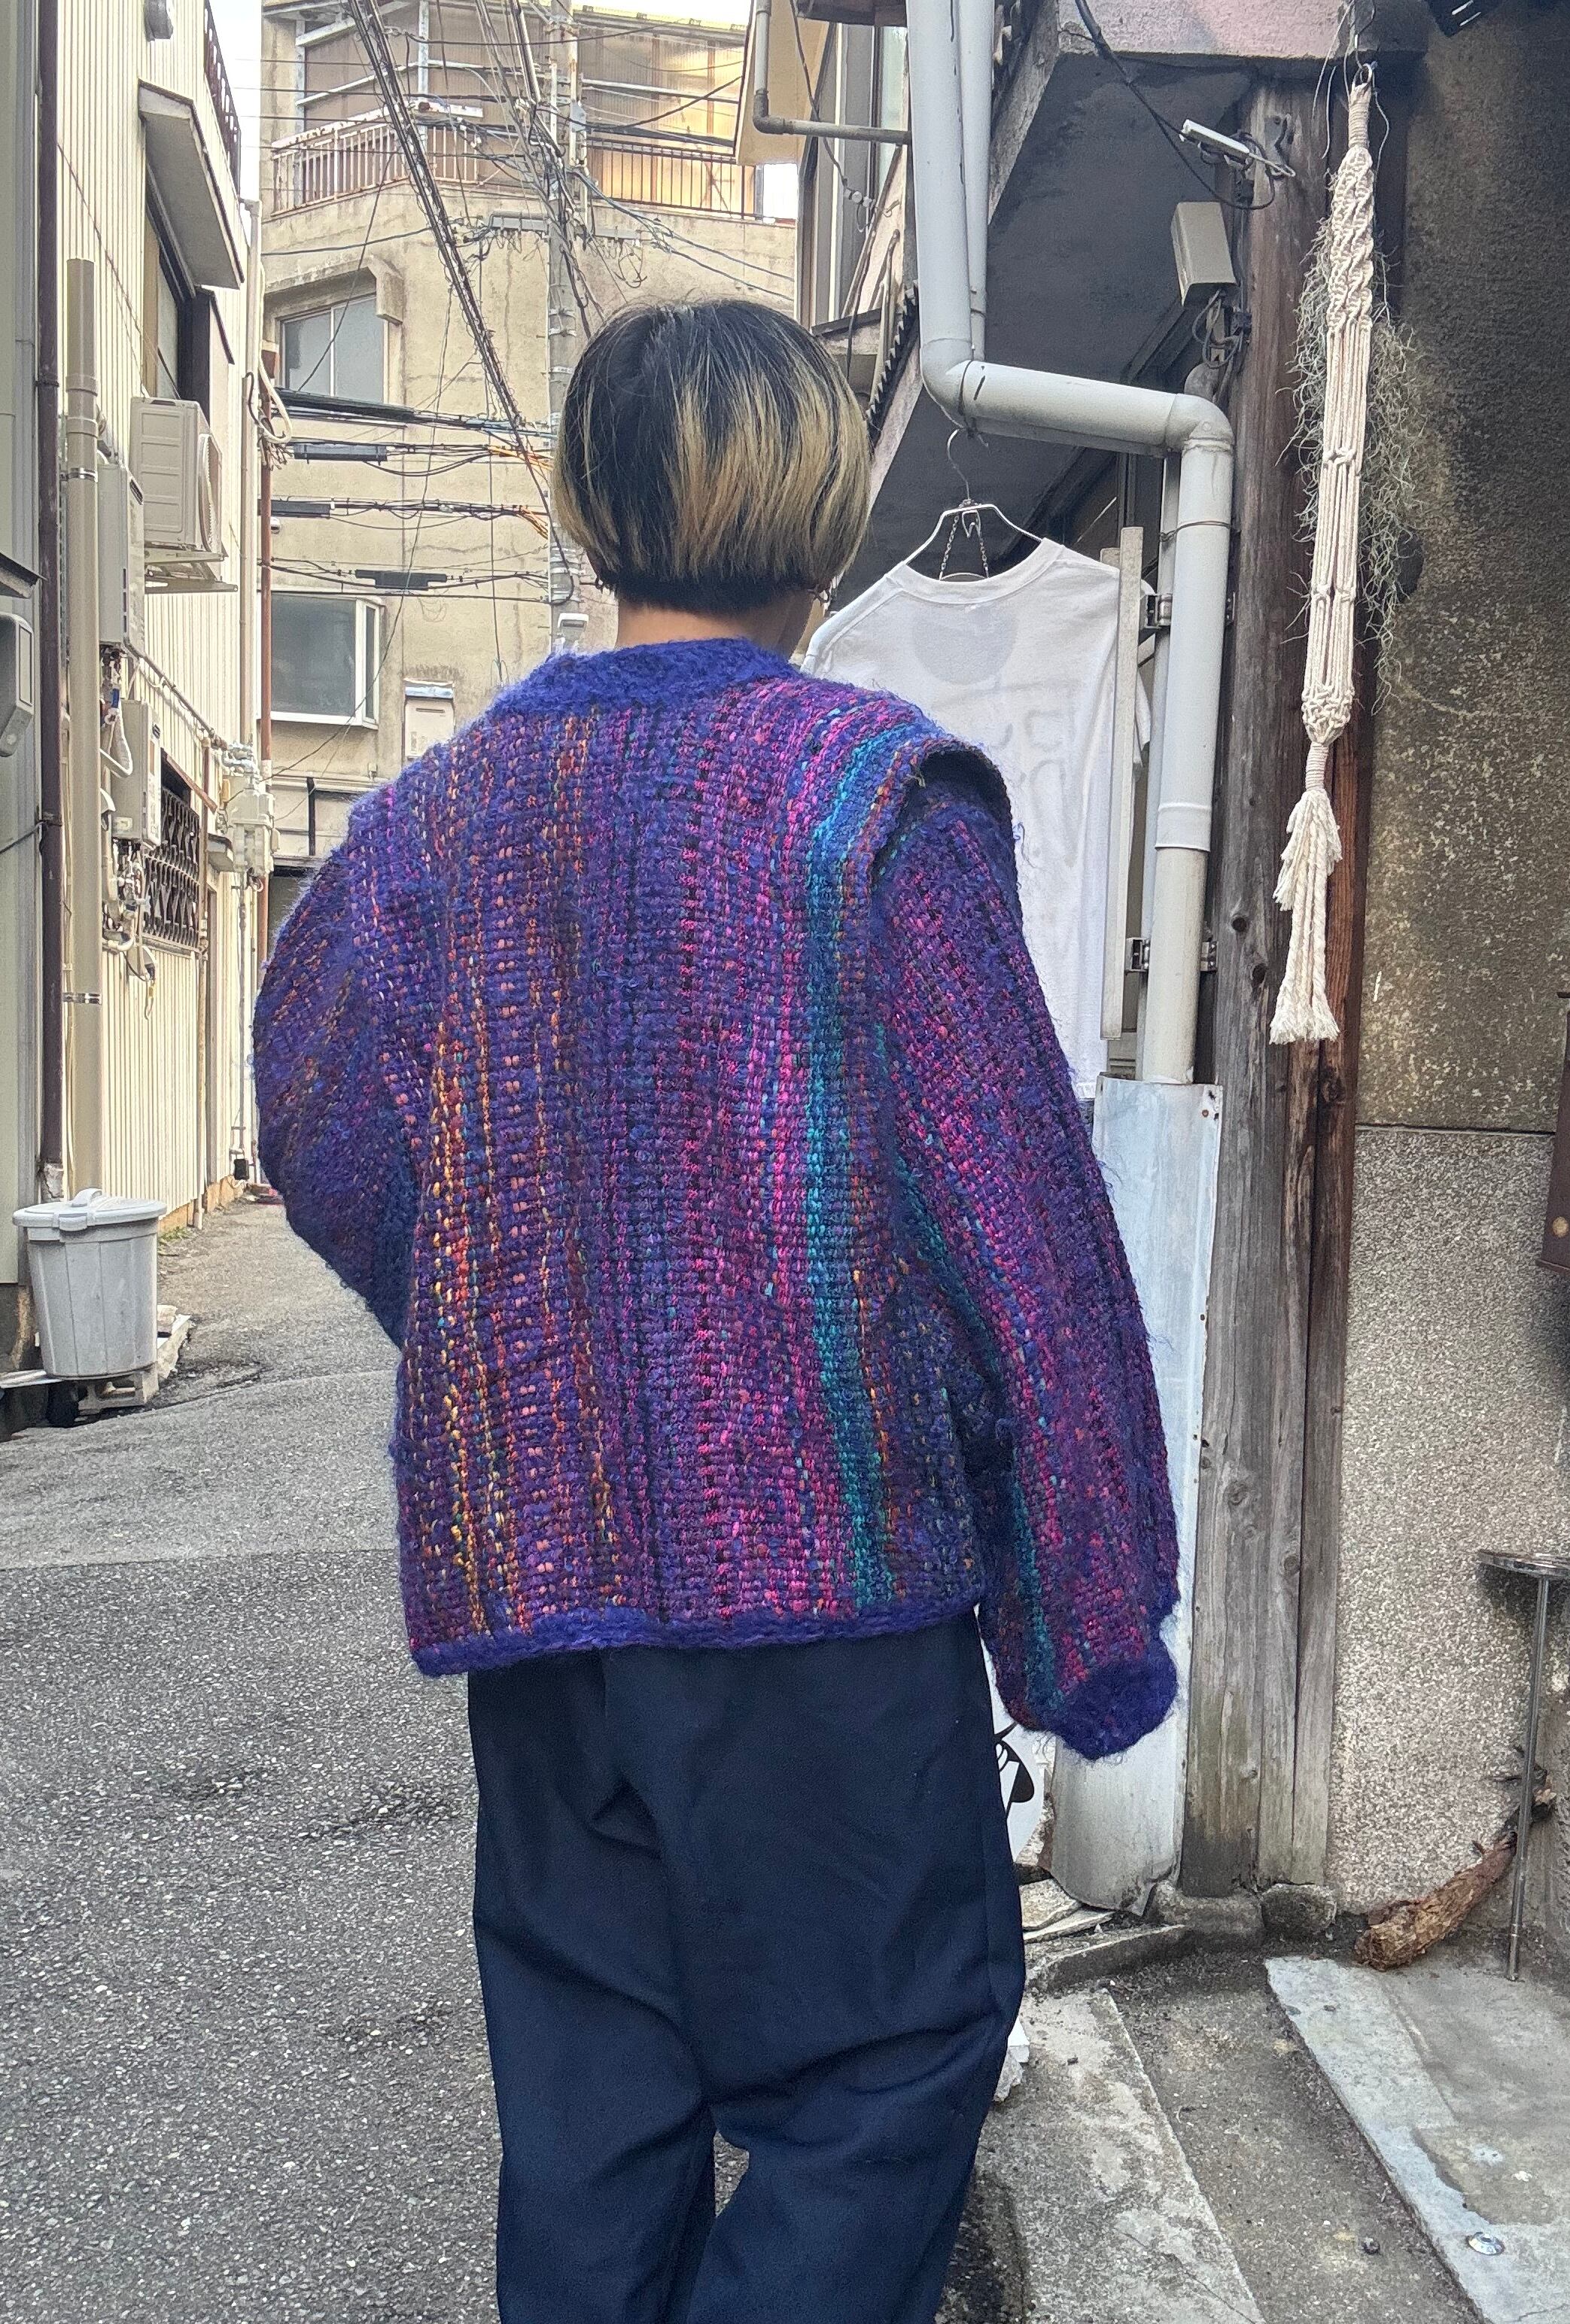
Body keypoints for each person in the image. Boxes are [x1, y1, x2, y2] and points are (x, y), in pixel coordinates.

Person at [254, 298, 1179, 2324]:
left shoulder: (433, 822)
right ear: (824, 521)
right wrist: (1082, 1614)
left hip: (546, 1612)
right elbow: (1017, 1243)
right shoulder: (872, 806)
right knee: (892, 2061)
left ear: (585, 507)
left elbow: (315, 1107)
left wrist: (509, 1316)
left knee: (593, 2108)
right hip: (823, 1604)